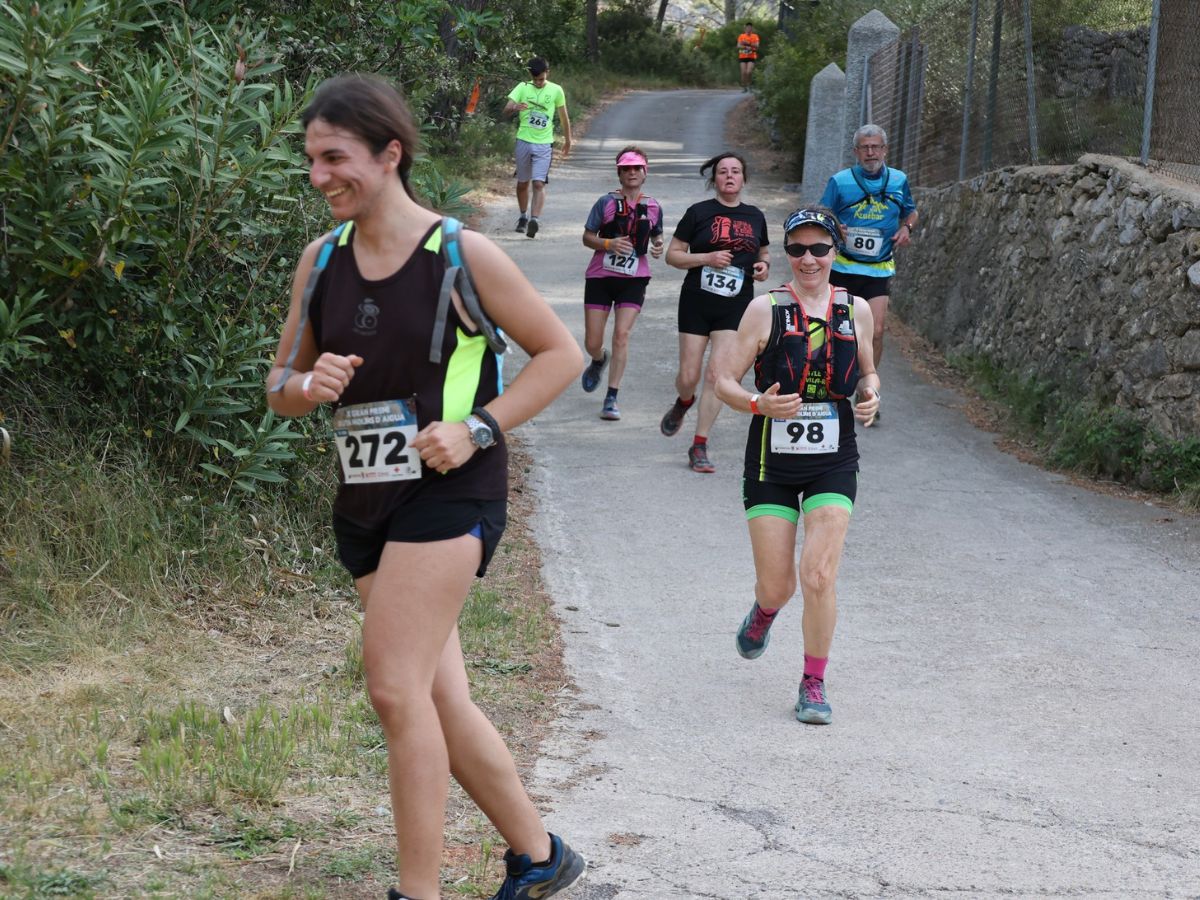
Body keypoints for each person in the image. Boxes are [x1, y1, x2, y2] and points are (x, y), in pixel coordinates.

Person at [266, 74, 585, 900]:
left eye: (335, 157)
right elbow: (279, 384)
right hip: (365, 501)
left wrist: (477, 427)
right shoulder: (322, 261)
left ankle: (419, 894)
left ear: (390, 153)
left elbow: (561, 356)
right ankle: (539, 854)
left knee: (394, 689)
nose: (319, 175)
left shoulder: (460, 255)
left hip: (452, 495)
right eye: (310, 159)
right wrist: (311, 386)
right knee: (440, 698)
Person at [714, 207, 880, 726]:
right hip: (771, 460)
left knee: (819, 573)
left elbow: (869, 373)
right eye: (797, 249)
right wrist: (758, 405)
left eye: (819, 249)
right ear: (787, 253)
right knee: (779, 585)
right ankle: (764, 613)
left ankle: (813, 680)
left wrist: (872, 396)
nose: (808, 259)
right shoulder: (765, 310)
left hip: (834, 457)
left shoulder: (856, 310)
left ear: (836, 251)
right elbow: (722, 381)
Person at [662, 151, 770, 474]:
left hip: (736, 305)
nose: (729, 176)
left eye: (736, 171)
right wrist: (706, 259)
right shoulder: (698, 213)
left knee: (716, 375)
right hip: (697, 301)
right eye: (723, 172)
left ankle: (699, 443)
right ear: (715, 179)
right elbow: (673, 255)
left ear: (744, 178)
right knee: (689, 377)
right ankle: (683, 401)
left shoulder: (755, 216)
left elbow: (762, 253)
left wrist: (763, 266)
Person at [819, 124, 916, 422]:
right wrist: (835, 226)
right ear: (856, 152)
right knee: (835, 332)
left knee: (876, 332)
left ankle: (866, 390)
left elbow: (910, 211)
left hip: (878, 269)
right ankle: (829, 389)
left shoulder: (899, 180)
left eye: (875, 147)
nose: (871, 152)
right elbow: (821, 215)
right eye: (865, 147)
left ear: (885, 150)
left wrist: (906, 227)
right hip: (843, 268)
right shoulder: (840, 181)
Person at [579, 146, 665, 421]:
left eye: (636, 168)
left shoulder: (653, 206)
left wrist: (657, 246)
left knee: (622, 336)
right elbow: (587, 237)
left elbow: (656, 236)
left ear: (644, 172)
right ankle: (598, 359)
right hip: (600, 277)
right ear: (619, 172)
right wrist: (608, 243)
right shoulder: (604, 203)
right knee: (593, 341)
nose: (631, 173)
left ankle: (611, 397)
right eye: (626, 168)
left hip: (634, 279)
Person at [504, 57, 573, 239]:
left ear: (547, 74)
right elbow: (507, 108)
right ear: (530, 76)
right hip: (523, 141)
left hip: (544, 143)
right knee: (522, 183)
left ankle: (534, 219)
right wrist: (515, 107)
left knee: (538, 182)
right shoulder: (522, 87)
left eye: (541, 79)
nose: (538, 83)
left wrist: (568, 140)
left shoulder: (556, 90)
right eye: (535, 80)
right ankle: (522, 216)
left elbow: (564, 117)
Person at [737, 23, 760, 92]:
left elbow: (757, 45)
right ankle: (744, 87)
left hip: (751, 56)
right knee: (743, 72)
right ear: (745, 28)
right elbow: (738, 46)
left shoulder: (755, 36)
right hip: (743, 56)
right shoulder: (741, 36)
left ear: (752, 29)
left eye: (750, 28)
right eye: (747, 27)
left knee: (749, 72)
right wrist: (745, 47)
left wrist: (747, 43)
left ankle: (749, 85)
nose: (749, 29)